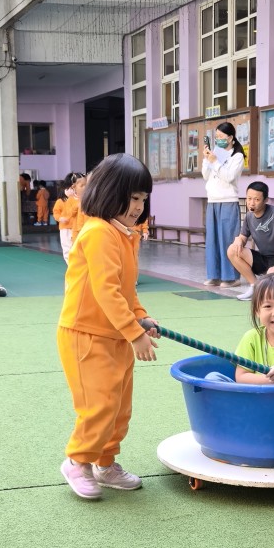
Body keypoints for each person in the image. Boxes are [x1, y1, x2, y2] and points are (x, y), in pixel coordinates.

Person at [57, 153, 158, 500]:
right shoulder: (99, 233)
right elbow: (105, 292)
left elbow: (126, 290)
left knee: (119, 407)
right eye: (133, 198)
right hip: (86, 335)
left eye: (143, 199)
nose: (138, 207)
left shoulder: (126, 235)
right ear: (110, 193)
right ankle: (77, 461)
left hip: (114, 334)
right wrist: (135, 333)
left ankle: (105, 462)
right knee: (98, 405)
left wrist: (140, 316)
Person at [228, 181, 274, 301]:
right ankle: (255, 287)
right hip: (263, 258)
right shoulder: (249, 217)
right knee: (232, 250)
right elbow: (243, 237)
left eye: (257, 199)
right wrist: (238, 240)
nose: (251, 203)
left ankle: (265, 292)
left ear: (266, 200)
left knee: (271, 275)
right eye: (249, 198)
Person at [202, 122, 245, 287]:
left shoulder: (237, 156)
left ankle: (232, 277)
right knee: (212, 242)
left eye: (221, 136)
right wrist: (207, 159)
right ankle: (214, 275)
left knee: (227, 240)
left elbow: (229, 177)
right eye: (216, 136)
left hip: (228, 201)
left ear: (230, 137)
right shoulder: (215, 153)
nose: (218, 139)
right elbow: (205, 175)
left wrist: (215, 162)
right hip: (212, 201)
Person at [52, 172, 84, 263]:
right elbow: (56, 212)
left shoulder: (81, 200)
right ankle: (71, 266)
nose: (71, 191)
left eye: (73, 188)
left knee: (77, 248)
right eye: (68, 188)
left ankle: (77, 265)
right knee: (67, 247)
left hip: (77, 228)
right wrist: (60, 218)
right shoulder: (60, 201)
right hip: (65, 228)